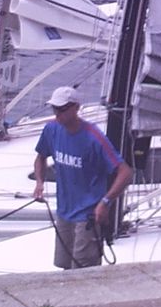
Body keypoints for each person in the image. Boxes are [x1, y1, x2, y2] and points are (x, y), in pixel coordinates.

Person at [33, 86, 133, 269]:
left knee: (83, 268)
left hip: (87, 215)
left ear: (75, 108)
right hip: (64, 211)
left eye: (62, 109)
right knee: (64, 264)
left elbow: (125, 172)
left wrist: (105, 202)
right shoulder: (51, 129)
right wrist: (39, 182)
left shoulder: (93, 137)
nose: (58, 114)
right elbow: (40, 157)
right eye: (55, 109)